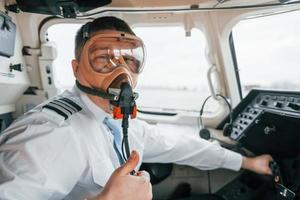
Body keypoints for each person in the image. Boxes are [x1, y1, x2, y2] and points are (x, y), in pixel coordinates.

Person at [0, 16, 273, 200]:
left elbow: (177, 145)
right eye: (103, 58)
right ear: (76, 68)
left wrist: (246, 162)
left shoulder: (118, 120)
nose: (121, 70)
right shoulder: (53, 134)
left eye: (130, 59)